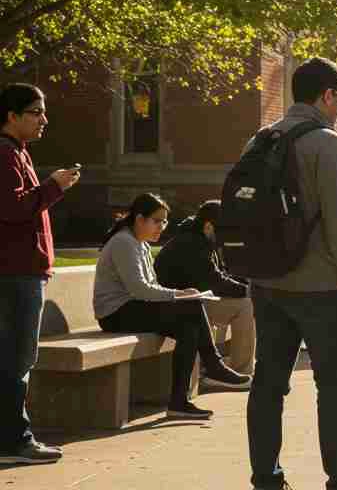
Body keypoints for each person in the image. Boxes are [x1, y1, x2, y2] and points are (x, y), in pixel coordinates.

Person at [245, 57, 337, 490]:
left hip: (267, 283)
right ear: (327, 96)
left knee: (267, 385)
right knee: (335, 388)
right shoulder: (325, 141)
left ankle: (266, 479)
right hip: (321, 287)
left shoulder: (261, 138)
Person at [94, 193, 252, 419]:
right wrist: (177, 295)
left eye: (165, 221)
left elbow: (150, 286)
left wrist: (182, 296)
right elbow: (139, 289)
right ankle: (213, 367)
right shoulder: (124, 242)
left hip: (134, 308)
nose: (162, 226)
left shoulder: (140, 243)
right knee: (190, 308)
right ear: (139, 219)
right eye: (157, 221)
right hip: (116, 313)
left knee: (188, 326)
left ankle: (179, 401)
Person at [0, 83, 79, 465]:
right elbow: (12, 209)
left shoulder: (18, 152)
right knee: (17, 360)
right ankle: (15, 441)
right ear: (11, 115)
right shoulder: (4, 154)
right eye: (36, 111)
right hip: (15, 274)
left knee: (15, 359)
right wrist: (53, 187)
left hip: (24, 271)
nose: (44, 119)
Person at [154, 199, 256, 385]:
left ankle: (229, 369)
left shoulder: (199, 239)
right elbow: (215, 282)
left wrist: (248, 286)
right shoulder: (192, 244)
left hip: (192, 303)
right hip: (178, 308)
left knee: (243, 300)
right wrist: (251, 291)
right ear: (209, 226)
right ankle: (235, 371)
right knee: (246, 305)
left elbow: (219, 276)